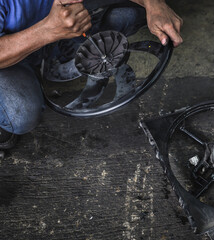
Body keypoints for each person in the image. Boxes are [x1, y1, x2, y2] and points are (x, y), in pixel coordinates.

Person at [0, 0, 183, 150]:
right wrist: (47, 31)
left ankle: (56, 52)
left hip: (56, 16)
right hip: (9, 51)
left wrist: (153, 3)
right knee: (21, 112)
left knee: (133, 13)